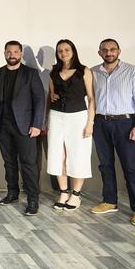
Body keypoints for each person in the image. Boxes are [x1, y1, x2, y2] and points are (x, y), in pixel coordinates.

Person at [90, 38, 135, 227]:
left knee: (130, 168)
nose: (109, 52)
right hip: (100, 123)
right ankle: (110, 201)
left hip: (126, 123)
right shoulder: (93, 72)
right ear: (100, 52)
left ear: (119, 51)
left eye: (112, 49)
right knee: (105, 165)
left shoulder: (132, 71)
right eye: (105, 50)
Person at [0, 40, 45, 216]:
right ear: (4, 53)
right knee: (9, 162)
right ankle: (12, 193)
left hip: (26, 126)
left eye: (15, 52)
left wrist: (36, 124)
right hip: (3, 125)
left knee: (28, 164)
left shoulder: (31, 73)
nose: (12, 55)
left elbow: (39, 100)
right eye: (9, 52)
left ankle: (33, 199)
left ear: (20, 54)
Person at [46, 39, 95, 211]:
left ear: (73, 51)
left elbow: (91, 98)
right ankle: (63, 192)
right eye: (60, 51)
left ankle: (76, 195)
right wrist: (47, 117)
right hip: (56, 116)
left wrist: (90, 123)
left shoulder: (84, 71)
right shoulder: (53, 71)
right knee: (58, 155)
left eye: (67, 49)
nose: (63, 53)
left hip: (78, 117)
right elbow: (50, 95)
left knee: (78, 154)